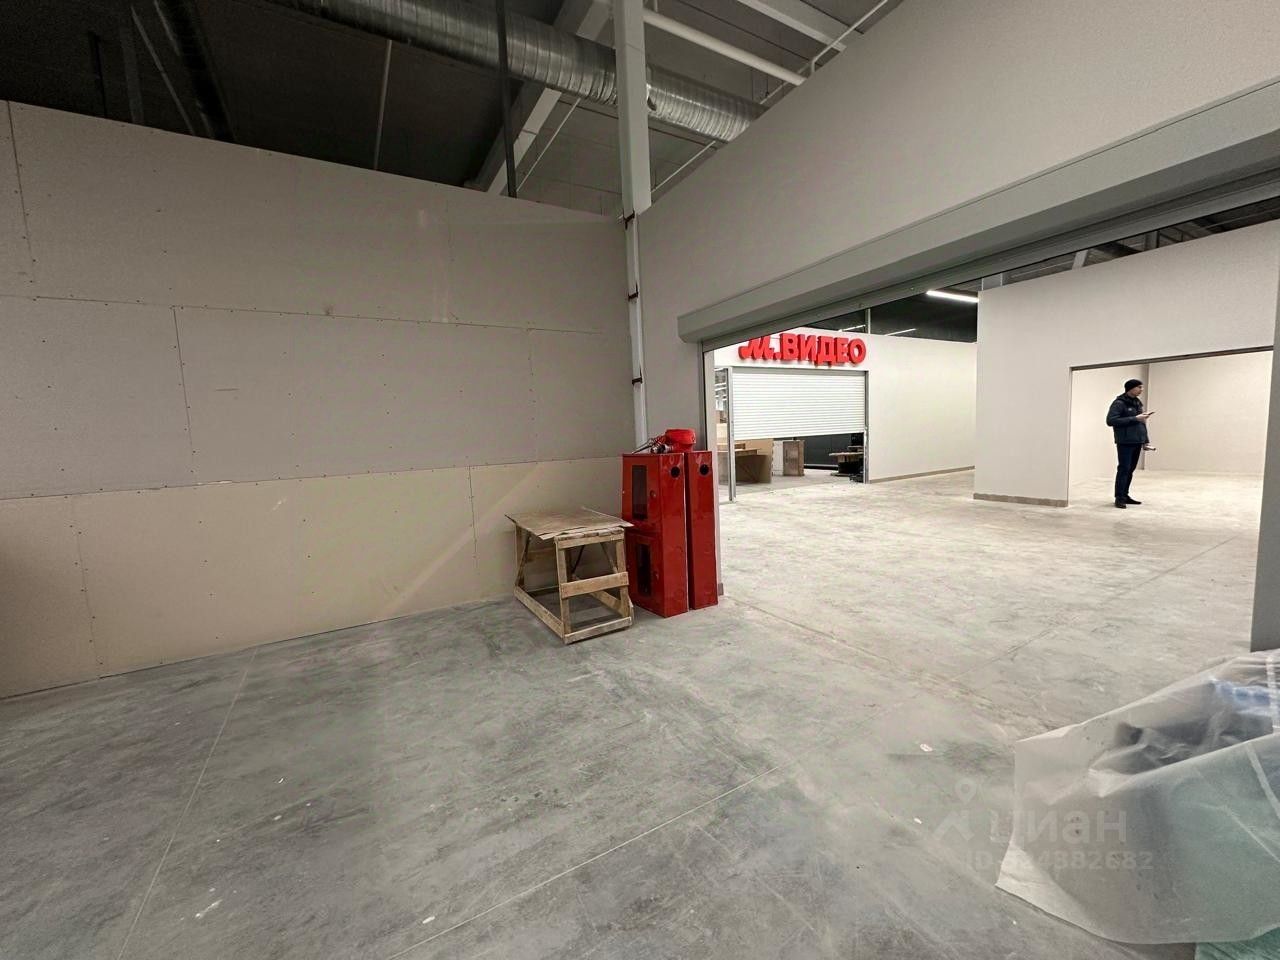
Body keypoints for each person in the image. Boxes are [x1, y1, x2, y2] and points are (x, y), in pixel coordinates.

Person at [1107, 378, 1154, 509]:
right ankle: (1119, 498)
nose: (1141, 390)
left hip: (1137, 441)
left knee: (1130, 470)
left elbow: (1141, 423)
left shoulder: (1137, 403)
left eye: (1142, 387)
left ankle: (1125, 495)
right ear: (1130, 388)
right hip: (1125, 442)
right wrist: (1134, 418)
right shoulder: (1119, 403)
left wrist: (1145, 441)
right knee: (1124, 469)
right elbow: (1111, 421)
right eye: (1139, 387)